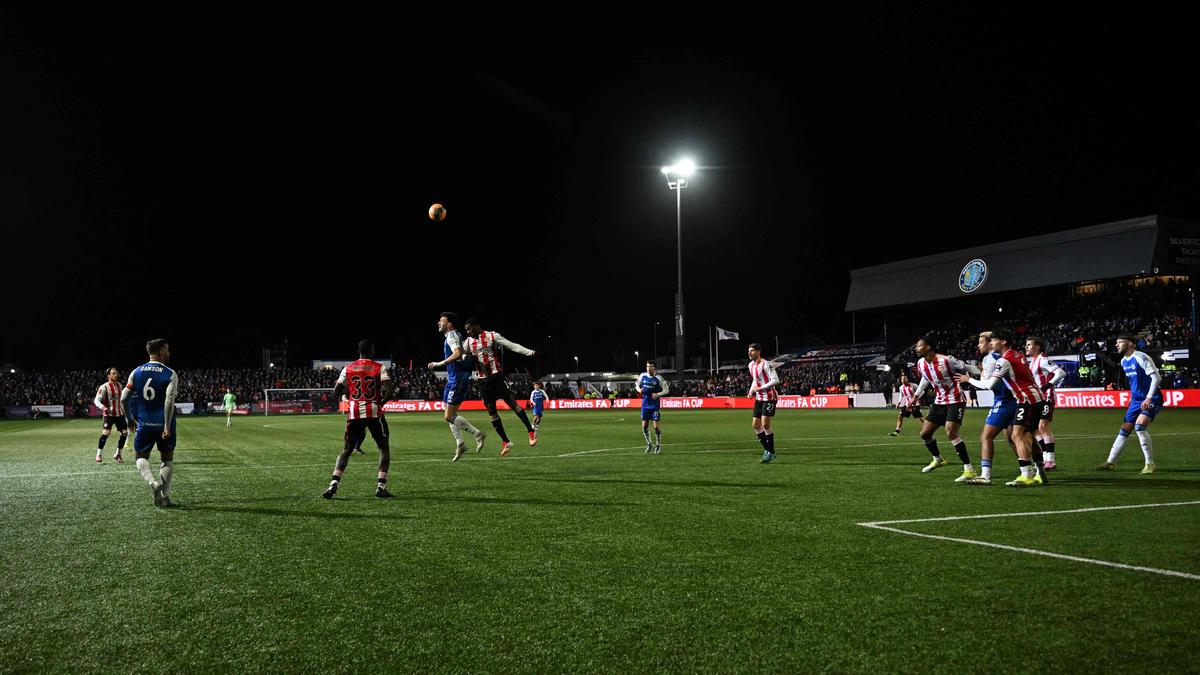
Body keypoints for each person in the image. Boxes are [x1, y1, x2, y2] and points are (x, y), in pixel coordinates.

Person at [956, 329, 1046, 487]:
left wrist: (969, 379)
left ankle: (1025, 474)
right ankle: (1039, 472)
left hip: (1023, 400)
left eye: (993, 340)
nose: (991, 343)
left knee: (1012, 436)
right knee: (1025, 435)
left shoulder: (1003, 360)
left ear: (1003, 341)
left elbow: (989, 384)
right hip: (1036, 397)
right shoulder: (1018, 355)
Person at [322, 340, 394, 499]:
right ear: (372, 351)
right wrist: (379, 403)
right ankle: (380, 487)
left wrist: (349, 395)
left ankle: (333, 484)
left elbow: (336, 392)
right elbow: (390, 391)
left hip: (354, 412)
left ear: (358, 351)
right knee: (383, 448)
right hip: (374, 411)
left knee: (346, 450)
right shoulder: (379, 367)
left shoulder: (348, 368)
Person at [462, 318, 538, 456]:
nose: (468, 332)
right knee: (491, 412)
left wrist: (530, 352)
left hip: (497, 376)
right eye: (466, 330)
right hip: (483, 381)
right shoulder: (468, 342)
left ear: (476, 326)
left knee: (512, 403)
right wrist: (465, 358)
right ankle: (506, 442)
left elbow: (512, 345)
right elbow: (461, 355)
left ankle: (531, 431)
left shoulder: (492, 336)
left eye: (469, 329)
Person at [910, 335, 978, 482]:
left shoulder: (947, 360)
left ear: (928, 347)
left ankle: (969, 470)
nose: (916, 348)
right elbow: (925, 378)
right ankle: (938, 459)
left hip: (956, 400)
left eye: (919, 345)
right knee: (925, 434)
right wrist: (916, 396)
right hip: (939, 401)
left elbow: (966, 367)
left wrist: (983, 373)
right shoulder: (921, 363)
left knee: (950, 432)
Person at [120, 339, 179, 507]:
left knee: (140, 457)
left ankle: (153, 482)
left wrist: (129, 418)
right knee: (167, 459)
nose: (169, 353)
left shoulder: (136, 372)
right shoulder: (170, 373)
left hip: (144, 423)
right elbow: (168, 401)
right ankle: (165, 498)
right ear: (160, 351)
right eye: (167, 350)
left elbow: (124, 398)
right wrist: (167, 426)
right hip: (164, 423)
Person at [1096, 335, 1162, 474]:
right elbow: (1135, 383)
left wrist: (1148, 398)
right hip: (1136, 400)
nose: (1117, 345)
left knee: (1140, 426)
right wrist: (1134, 397)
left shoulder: (1141, 357)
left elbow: (1156, 377)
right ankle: (1110, 462)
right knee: (1125, 428)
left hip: (1151, 397)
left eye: (1120, 342)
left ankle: (1150, 464)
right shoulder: (1123, 361)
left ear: (1130, 343)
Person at [427, 312, 486, 460]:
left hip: (458, 380)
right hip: (453, 379)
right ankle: (460, 443)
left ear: (450, 323)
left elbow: (457, 354)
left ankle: (477, 433)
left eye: (442, 320)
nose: (439, 323)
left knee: (449, 416)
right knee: (448, 414)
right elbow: (463, 354)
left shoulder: (452, 336)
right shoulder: (452, 336)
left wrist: (438, 364)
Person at [1026, 337, 1066, 470]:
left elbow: (1060, 373)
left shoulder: (1043, 359)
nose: (1026, 347)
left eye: (1029, 345)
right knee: (1034, 429)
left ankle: (1050, 461)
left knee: (1043, 426)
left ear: (1037, 347)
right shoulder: (1033, 362)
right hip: (1036, 399)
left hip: (1046, 398)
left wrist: (1047, 386)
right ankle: (1045, 458)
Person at [748, 343, 780, 463]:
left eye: (752, 351)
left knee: (765, 425)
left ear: (758, 352)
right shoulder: (750, 365)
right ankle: (769, 451)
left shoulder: (767, 364)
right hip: (759, 398)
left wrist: (760, 388)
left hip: (770, 397)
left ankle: (770, 452)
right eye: (749, 351)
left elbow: (775, 380)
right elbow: (755, 381)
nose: (750, 353)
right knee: (756, 425)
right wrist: (751, 391)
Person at [93, 367, 129, 463]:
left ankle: (118, 454)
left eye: (116, 373)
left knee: (125, 433)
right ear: (108, 375)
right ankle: (99, 454)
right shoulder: (104, 387)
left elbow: (122, 400)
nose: (116, 375)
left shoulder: (120, 385)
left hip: (119, 414)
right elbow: (96, 400)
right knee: (106, 433)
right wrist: (103, 407)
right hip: (109, 414)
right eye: (113, 373)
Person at [635, 361, 669, 453]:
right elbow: (636, 385)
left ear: (654, 368)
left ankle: (658, 445)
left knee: (656, 427)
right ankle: (649, 444)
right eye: (647, 366)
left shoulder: (658, 378)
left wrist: (658, 394)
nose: (648, 368)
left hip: (654, 406)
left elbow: (666, 390)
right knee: (644, 426)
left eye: (650, 366)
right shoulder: (643, 376)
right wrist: (640, 390)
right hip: (645, 406)